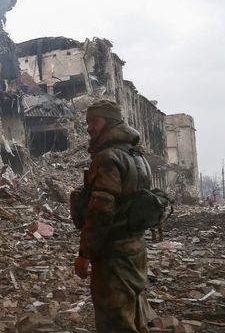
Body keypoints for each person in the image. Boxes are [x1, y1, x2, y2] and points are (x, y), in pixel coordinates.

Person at [74, 100, 150, 333]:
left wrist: (85, 254)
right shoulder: (136, 155)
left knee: (114, 321)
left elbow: (101, 210)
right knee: (133, 314)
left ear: (110, 121)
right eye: (87, 122)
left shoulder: (108, 158)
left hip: (113, 256)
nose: (89, 128)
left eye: (94, 121)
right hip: (135, 249)